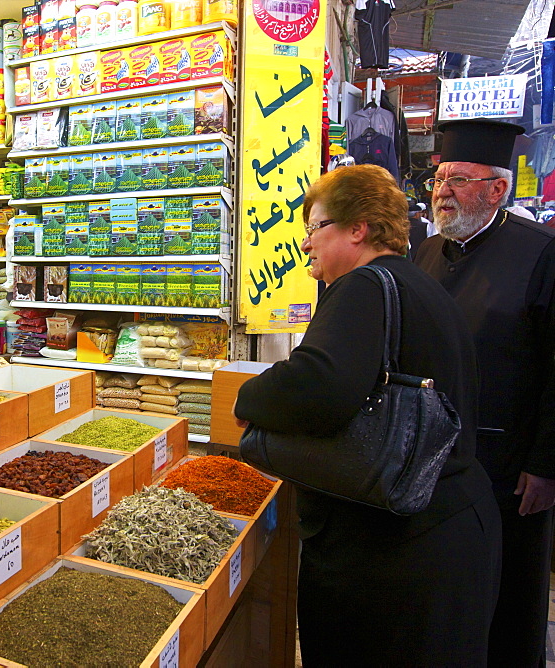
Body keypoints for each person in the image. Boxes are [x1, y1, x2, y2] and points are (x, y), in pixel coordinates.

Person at [234, 164, 502, 665]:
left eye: (315, 228)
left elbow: (317, 385)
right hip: (452, 532)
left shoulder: (363, 287)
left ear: (358, 228)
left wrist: (247, 398)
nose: (306, 243)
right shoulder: (420, 287)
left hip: (397, 556)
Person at [415, 118, 555, 668]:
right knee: (447, 597)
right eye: (440, 176)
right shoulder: (425, 253)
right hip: (436, 463)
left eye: (459, 178)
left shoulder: (541, 254)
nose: (442, 189)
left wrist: (545, 465)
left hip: (509, 471)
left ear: (497, 189)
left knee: (509, 601)